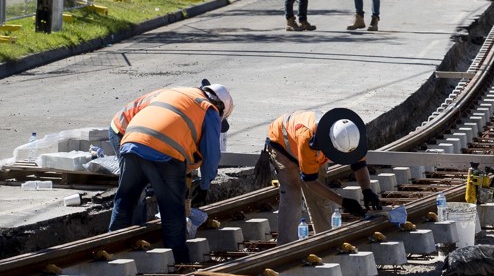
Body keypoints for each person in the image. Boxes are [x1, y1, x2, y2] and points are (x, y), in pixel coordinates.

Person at [107, 84, 234, 264]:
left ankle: (112, 253)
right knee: (172, 210)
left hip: (132, 141)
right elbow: (211, 154)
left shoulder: (178, 93)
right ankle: (179, 261)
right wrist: (205, 185)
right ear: (220, 107)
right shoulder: (209, 109)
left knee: (125, 200)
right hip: (165, 152)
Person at [261, 108, 381, 244]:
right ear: (330, 145)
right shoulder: (308, 138)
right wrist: (342, 202)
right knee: (292, 198)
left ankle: (325, 242)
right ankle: (286, 247)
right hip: (283, 145)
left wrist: (367, 191)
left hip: (307, 145)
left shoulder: (351, 134)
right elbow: (310, 181)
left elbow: (359, 165)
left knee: (320, 198)